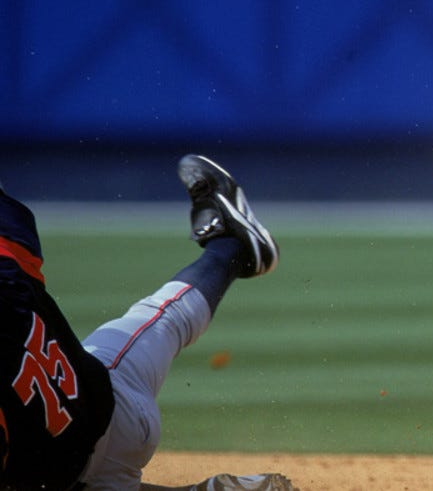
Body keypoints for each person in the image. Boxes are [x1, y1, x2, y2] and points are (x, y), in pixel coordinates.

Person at [1, 155, 295, 491]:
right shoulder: (6, 279)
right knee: (165, 318)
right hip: (117, 410)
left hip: (84, 450)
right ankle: (234, 247)